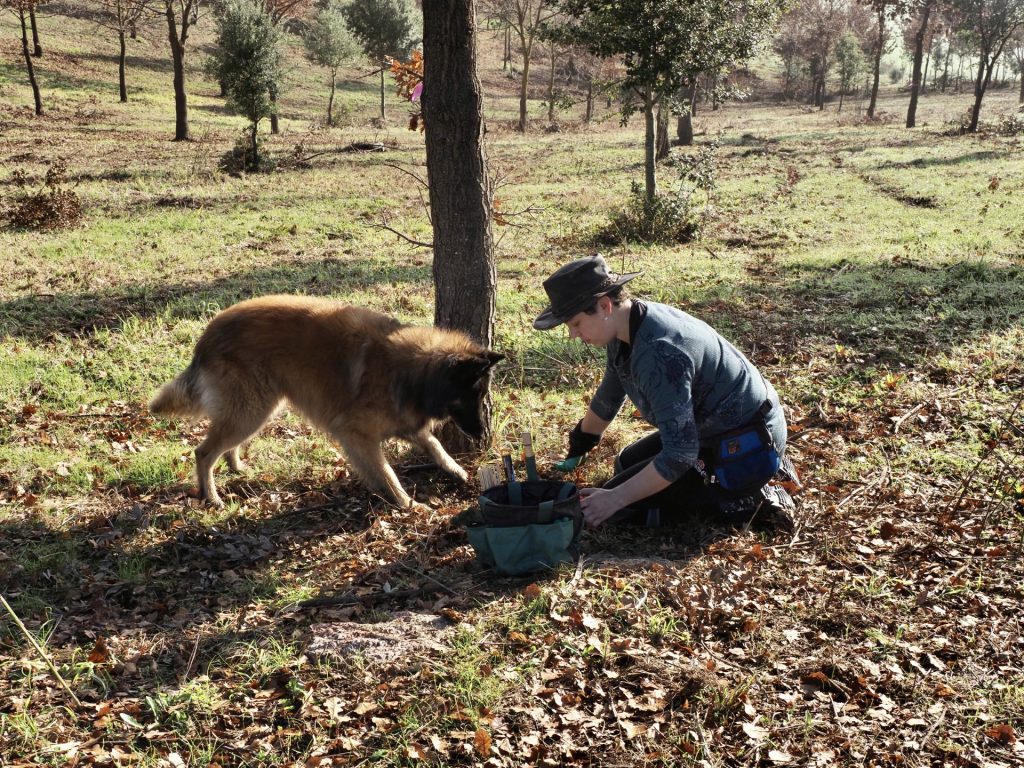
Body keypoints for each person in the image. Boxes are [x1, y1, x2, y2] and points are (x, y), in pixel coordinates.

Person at [533, 254, 797, 529]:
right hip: (711, 431)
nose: (574, 335)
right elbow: (610, 394)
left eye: (575, 324)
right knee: (625, 465)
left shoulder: (659, 352)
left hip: (747, 441)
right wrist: (582, 441)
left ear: (604, 305)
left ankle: (751, 497)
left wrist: (614, 499)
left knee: (625, 511)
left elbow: (679, 454)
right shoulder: (625, 324)